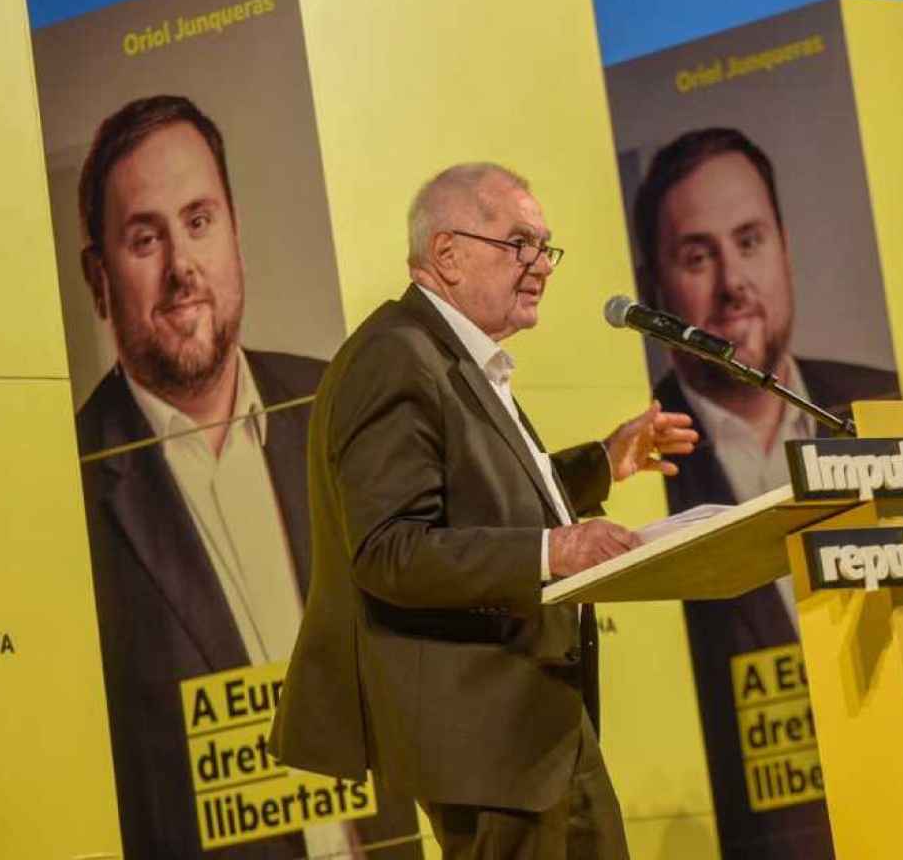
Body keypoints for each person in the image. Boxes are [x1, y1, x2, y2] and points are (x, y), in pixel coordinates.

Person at [271, 162, 698, 860]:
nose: (541, 266)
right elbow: (388, 550)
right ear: (447, 254)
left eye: (545, 248)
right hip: (485, 738)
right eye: (519, 244)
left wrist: (603, 461)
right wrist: (555, 551)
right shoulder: (396, 358)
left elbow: (480, 495)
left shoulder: (451, 355)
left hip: (536, 726)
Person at [72, 95, 411, 858]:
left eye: (199, 222)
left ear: (235, 233)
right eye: (144, 238)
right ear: (99, 278)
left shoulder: (342, 406)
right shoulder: (69, 493)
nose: (182, 268)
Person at [628, 127, 899, 858]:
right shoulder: (633, 466)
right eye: (697, 255)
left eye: (749, 242)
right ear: (656, 285)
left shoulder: (888, 408)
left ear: (784, 248)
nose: (732, 283)